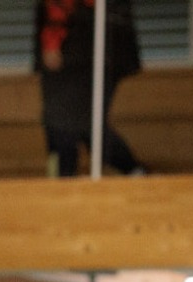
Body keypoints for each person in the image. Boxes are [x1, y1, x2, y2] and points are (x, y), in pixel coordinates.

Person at [34, 0, 145, 177]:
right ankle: (133, 171)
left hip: (90, 47)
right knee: (67, 124)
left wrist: (52, 40)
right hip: (75, 48)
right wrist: (52, 41)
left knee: (77, 123)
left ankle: (133, 171)